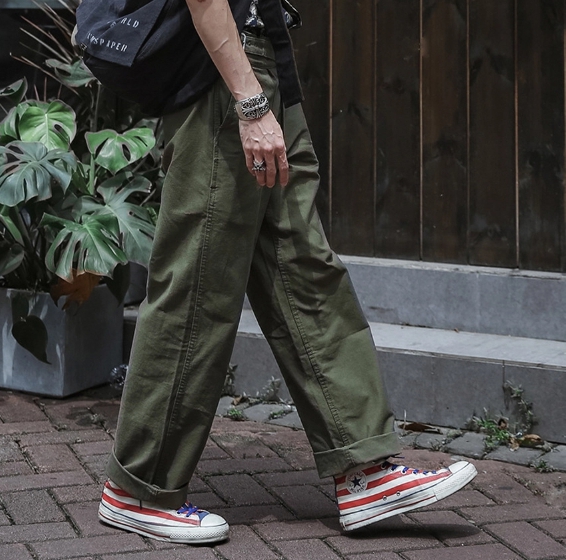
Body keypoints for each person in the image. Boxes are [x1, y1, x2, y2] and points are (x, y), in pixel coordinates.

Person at [96, 0, 477, 544]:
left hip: (264, 61)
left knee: (304, 269)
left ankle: (363, 468)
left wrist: (270, 92)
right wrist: (250, 102)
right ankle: (139, 487)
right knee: (199, 283)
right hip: (223, 77)